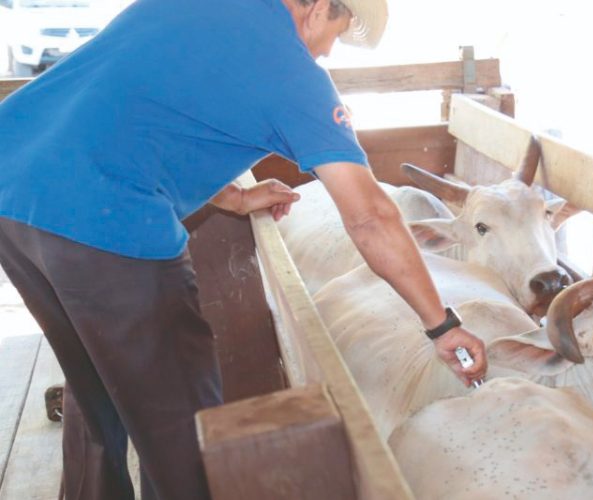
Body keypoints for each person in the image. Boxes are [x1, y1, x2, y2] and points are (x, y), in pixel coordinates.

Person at [0, 0, 487, 498]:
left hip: (12, 190)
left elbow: (137, 115)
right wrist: (441, 324)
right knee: (184, 432)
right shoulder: (293, 74)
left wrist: (233, 197)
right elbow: (370, 217)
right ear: (319, 8)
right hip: (105, 221)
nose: (328, 53)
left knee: (94, 389)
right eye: (339, 34)